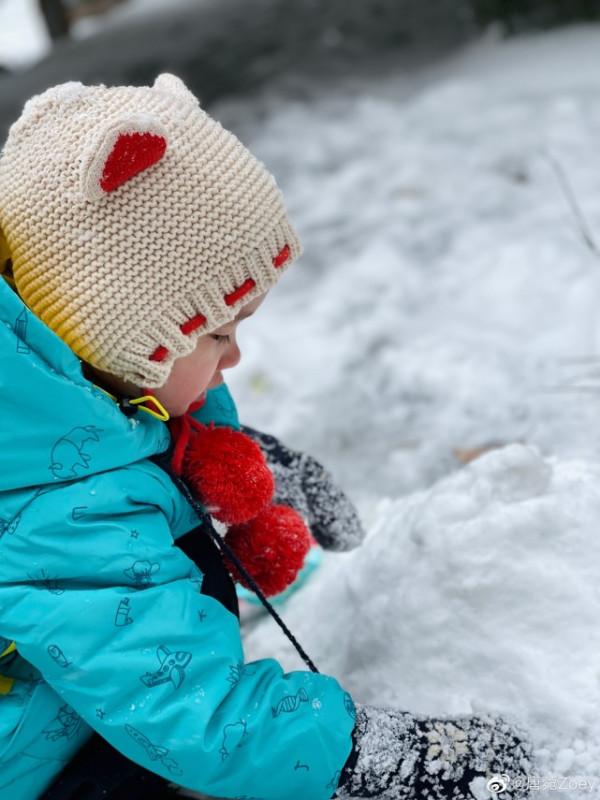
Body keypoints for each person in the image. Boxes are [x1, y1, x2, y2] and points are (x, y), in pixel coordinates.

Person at [0, 74, 532, 799]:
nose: (236, 358)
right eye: (217, 332)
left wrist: (234, 461)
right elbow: (190, 712)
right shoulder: (60, 515)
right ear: (118, 341)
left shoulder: (67, 401)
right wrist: (373, 756)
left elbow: (136, 439)